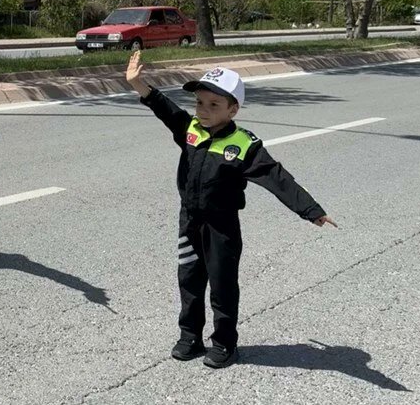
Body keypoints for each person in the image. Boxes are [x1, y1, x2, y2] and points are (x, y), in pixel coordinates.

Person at [125, 50, 337, 368]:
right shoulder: (191, 130)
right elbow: (165, 109)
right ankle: (190, 337)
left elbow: (278, 178)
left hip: (221, 226)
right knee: (190, 281)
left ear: (233, 109)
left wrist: (310, 209)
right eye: (199, 103)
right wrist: (139, 84)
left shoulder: (244, 145)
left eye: (214, 105)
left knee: (222, 286)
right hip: (190, 221)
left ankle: (224, 343)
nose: (204, 110)